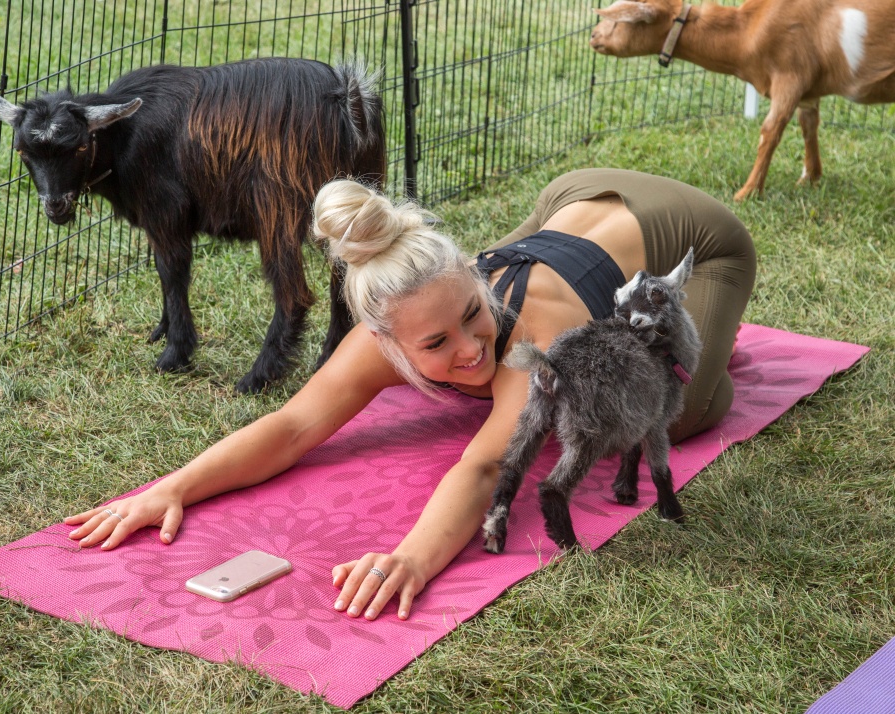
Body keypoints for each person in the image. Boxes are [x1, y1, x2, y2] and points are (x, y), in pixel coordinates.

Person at [65, 168, 756, 622]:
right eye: (432, 347)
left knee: (680, 412)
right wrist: (174, 489)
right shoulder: (386, 327)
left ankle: (703, 338)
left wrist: (413, 558)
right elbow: (293, 425)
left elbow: (488, 465)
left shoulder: (534, 332)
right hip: (570, 198)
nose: (467, 349)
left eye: (472, 316)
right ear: (383, 344)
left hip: (695, 229)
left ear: (474, 286)